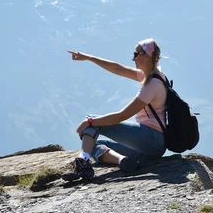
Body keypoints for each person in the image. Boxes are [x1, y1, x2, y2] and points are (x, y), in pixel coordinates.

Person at [62, 38, 167, 181]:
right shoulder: (152, 76)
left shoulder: (152, 85)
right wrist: (88, 57)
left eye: (136, 54)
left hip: (151, 139)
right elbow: (117, 68)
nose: (133, 58)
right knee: (94, 144)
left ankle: (83, 163)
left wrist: (90, 121)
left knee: (92, 122)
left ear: (147, 56)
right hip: (151, 147)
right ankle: (122, 161)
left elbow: (121, 116)